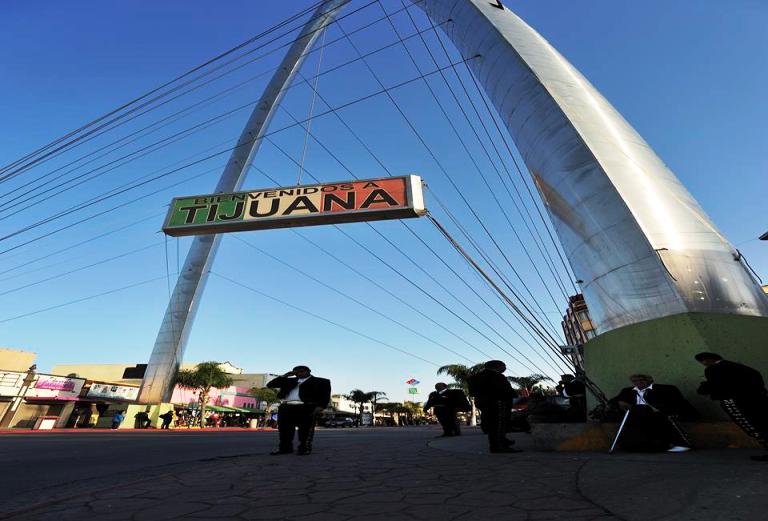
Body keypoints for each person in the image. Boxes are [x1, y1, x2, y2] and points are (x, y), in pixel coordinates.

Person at [695, 352, 768, 461]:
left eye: (702, 362)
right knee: (763, 423)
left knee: (753, 427)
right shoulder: (741, 367)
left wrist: (703, 387)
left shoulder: (713, 369)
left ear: (706, 360)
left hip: (737, 402)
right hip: (759, 400)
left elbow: (714, 386)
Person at [609, 374, 698, 453]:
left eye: (642, 380)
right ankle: (633, 445)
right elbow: (612, 401)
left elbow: (673, 402)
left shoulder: (662, 389)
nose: (638, 382)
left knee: (649, 415)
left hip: (655, 414)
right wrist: (619, 402)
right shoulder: (627, 391)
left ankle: (672, 444)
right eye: (635, 381)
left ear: (650, 381)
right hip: (635, 415)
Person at [267, 365, 331, 455]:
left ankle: (304, 448)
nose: (298, 373)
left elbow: (325, 395)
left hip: (306, 407)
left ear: (308, 371)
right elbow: (270, 385)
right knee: (284, 429)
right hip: (286, 406)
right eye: (296, 372)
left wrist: (321, 406)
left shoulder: (321, 381)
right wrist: (285, 376)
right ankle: (285, 448)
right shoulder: (289, 380)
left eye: (301, 371)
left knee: (305, 429)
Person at [467, 360, 522, 453]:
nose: (505, 369)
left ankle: (501, 441)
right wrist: (515, 394)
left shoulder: (474, 377)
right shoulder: (496, 376)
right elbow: (505, 390)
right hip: (498, 403)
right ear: (498, 366)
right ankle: (498, 446)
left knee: (492, 424)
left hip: (484, 403)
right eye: (504, 366)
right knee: (499, 425)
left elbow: (472, 392)